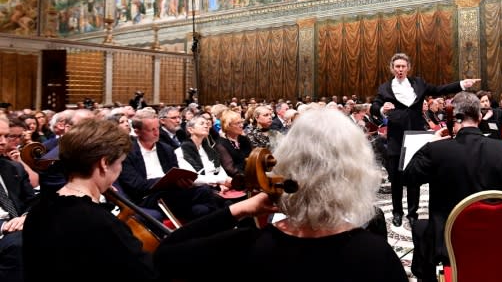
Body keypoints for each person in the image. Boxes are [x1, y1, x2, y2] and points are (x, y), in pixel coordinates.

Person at [154, 106, 409, 282]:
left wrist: (240, 208)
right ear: (356, 171)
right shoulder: (376, 256)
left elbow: (165, 254)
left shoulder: (247, 245)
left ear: (284, 165)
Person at [403, 91, 502, 282]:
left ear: (454, 118)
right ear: (479, 116)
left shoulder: (436, 150)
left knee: (420, 227)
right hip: (495, 237)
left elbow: (408, 178)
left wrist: (430, 143)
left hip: (449, 242)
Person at [22, 118, 158, 282]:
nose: (120, 169)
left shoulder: (38, 210)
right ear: (104, 163)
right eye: (120, 162)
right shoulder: (102, 223)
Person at [370, 53, 480, 227]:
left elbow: (438, 90)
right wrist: (382, 109)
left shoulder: (418, 83)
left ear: (408, 67)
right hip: (395, 139)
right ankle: (397, 212)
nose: (400, 69)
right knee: (396, 178)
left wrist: (461, 84)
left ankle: (412, 213)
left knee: (415, 174)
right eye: (397, 66)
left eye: (403, 66)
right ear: (392, 68)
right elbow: (375, 105)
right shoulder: (385, 88)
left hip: (415, 136)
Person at [0, 116, 36, 282]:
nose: (3, 142)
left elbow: (32, 201)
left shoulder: (13, 167)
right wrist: (4, 226)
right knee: (20, 243)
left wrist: (26, 217)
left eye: (6, 136)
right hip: (7, 233)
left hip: (19, 227)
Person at [216, 109, 252, 177]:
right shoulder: (221, 144)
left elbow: (251, 159)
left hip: (250, 174)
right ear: (228, 126)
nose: (242, 125)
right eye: (238, 123)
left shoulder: (244, 139)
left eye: (241, 122)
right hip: (237, 179)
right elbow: (230, 169)